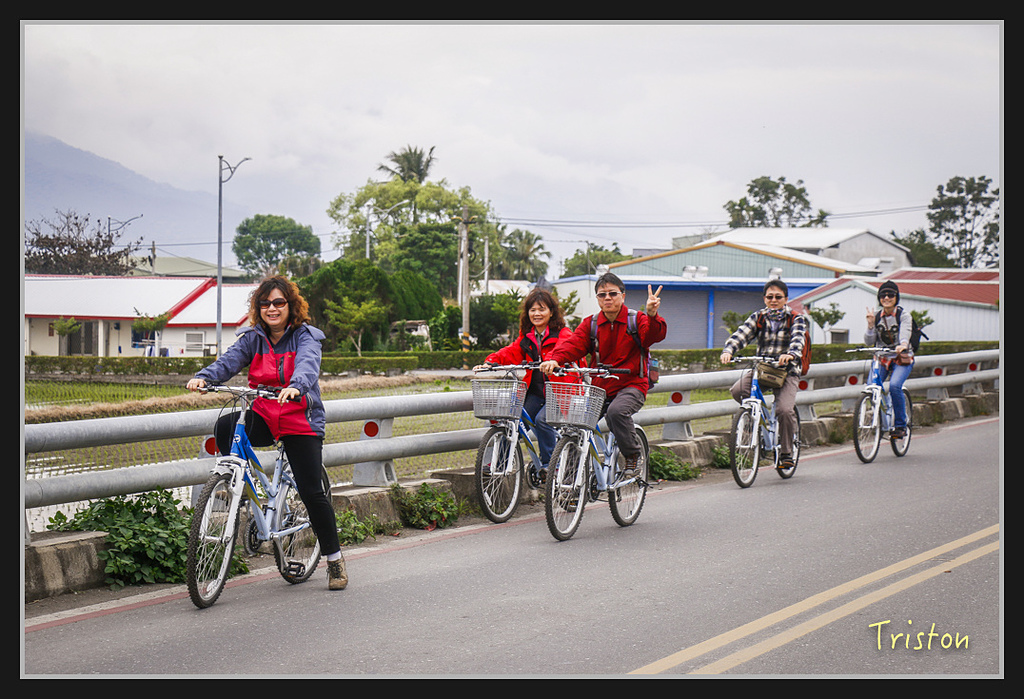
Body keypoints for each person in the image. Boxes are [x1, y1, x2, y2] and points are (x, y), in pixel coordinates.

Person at [186, 275, 347, 591]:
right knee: (225, 426)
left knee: (312, 492)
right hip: (264, 414)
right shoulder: (252, 338)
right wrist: (204, 378)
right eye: (265, 303)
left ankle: (334, 559)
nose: (272, 308)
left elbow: (308, 366)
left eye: (278, 302)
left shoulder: (305, 336)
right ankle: (239, 489)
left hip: (300, 418)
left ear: (290, 306)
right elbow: (228, 362)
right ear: (258, 308)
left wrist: (296, 387)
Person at [540, 273, 667, 478]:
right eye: (602, 295)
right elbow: (573, 345)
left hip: (632, 384)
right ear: (597, 298)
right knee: (575, 426)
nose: (607, 298)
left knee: (616, 413)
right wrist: (555, 359)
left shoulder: (637, 319)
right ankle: (570, 485)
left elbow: (653, 336)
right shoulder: (591, 324)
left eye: (612, 293)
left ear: (622, 296)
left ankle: (633, 456)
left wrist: (652, 315)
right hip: (600, 388)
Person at [474, 288, 578, 480]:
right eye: (532, 310)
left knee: (541, 420)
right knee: (512, 421)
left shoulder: (563, 334)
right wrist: (490, 362)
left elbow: (567, 349)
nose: (536, 314)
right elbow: (511, 351)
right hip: (536, 392)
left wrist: (554, 360)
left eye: (542, 309)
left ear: (552, 312)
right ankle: (500, 463)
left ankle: (550, 465)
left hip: (560, 391)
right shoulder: (527, 336)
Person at [719, 279, 808, 469]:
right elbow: (741, 335)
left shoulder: (796, 318)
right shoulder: (758, 317)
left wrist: (790, 354)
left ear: (786, 298)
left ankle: (786, 452)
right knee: (738, 391)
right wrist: (728, 350)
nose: (773, 300)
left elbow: (798, 340)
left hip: (787, 371)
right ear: (764, 298)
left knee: (784, 410)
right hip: (764, 370)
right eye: (770, 297)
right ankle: (755, 420)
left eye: (778, 297)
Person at [864, 280, 914, 438]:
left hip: (901, 358)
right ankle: (884, 423)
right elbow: (869, 342)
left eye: (890, 295)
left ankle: (900, 425)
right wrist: (871, 325)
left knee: (894, 386)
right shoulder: (877, 316)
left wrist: (903, 344)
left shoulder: (903, 315)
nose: (886, 297)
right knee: (871, 388)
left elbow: (905, 332)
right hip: (882, 359)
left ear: (896, 297)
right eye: (883, 295)